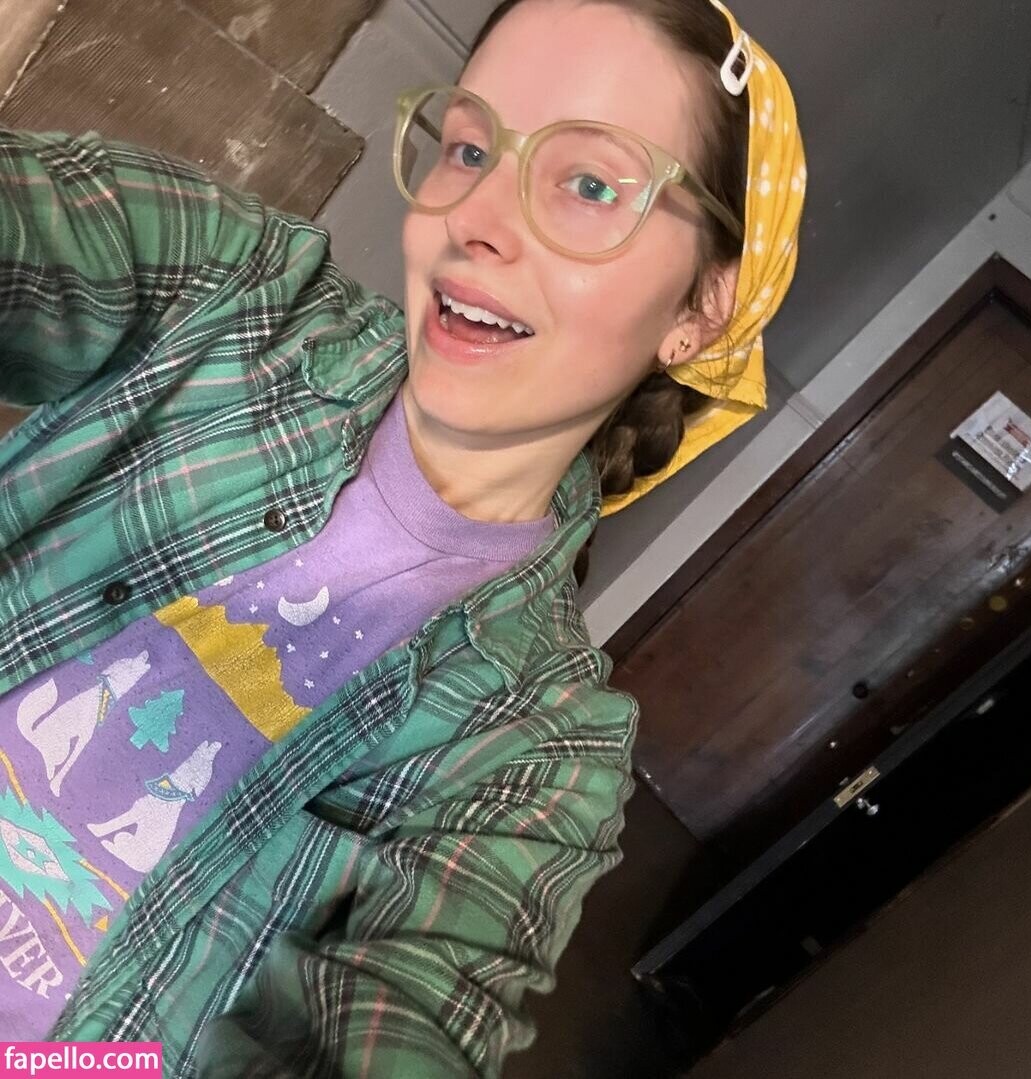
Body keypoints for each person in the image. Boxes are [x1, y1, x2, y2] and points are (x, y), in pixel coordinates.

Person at [0, 0, 805, 1073]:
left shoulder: (540, 758)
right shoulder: (238, 294)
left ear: (700, 309)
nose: (478, 214)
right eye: (469, 146)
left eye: (589, 185)